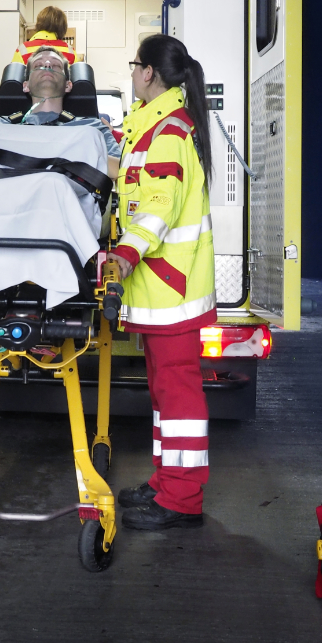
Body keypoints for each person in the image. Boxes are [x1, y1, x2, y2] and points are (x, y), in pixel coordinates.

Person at [106, 34, 217, 531]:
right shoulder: (153, 126)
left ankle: (182, 499)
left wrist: (126, 253)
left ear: (148, 72)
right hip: (163, 287)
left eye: (135, 65)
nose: (132, 73)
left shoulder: (167, 132)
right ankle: (166, 481)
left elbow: (158, 207)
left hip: (171, 287)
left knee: (177, 395)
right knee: (164, 393)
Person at [0, 47, 121, 159]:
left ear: (68, 85)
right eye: (38, 65)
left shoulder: (93, 128)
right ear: (26, 85)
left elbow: (121, 171)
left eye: (56, 65)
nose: (47, 65)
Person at [12, 5, 80, 66]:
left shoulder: (23, 49)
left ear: (38, 24)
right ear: (63, 28)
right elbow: (77, 76)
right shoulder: (70, 51)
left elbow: (13, 75)